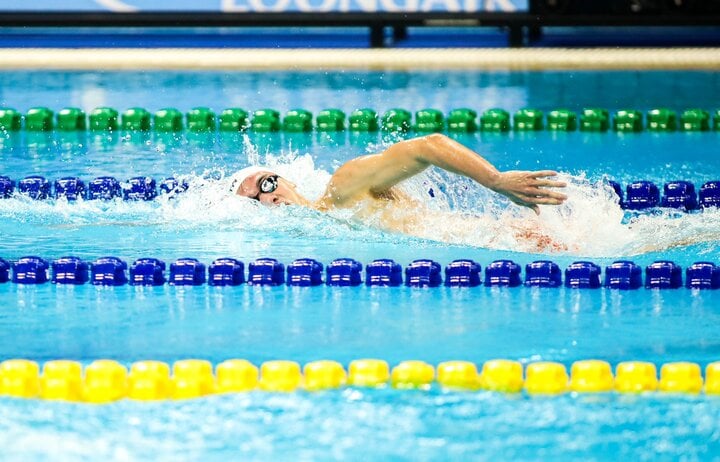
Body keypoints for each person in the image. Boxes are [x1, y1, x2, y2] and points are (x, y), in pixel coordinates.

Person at [230, 133, 569, 251]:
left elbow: (429, 146)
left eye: (266, 184)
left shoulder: (343, 189)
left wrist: (496, 181)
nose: (268, 197)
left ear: (288, 180)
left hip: (520, 239)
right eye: (254, 201)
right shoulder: (322, 234)